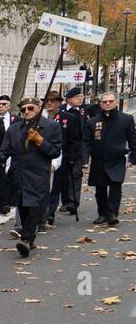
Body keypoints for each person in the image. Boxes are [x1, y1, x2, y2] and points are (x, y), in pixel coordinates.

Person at [0, 96, 61, 257]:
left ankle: (26, 240)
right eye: (23, 109)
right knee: (23, 206)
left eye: (30, 108)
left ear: (38, 108)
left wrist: (40, 140)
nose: (26, 112)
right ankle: (30, 238)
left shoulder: (51, 126)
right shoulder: (14, 128)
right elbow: (4, 151)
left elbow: (55, 151)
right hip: (18, 174)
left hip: (38, 174)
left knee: (34, 206)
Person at [85, 91, 136, 227]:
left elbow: (133, 140)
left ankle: (112, 213)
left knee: (115, 186)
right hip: (99, 159)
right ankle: (102, 213)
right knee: (100, 188)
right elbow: (86, 142)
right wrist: (85, 159)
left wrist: (133, 157)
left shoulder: (126, 119)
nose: (107, 104)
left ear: (116, 102)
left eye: (110, 101)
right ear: (100, 104)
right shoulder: (92, 122)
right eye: (104, 101)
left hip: (117, 159)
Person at [47, 87, 86, 224]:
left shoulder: (68, 118)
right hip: (43, 156)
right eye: (47, 101)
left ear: (59, 103)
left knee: (55, 187)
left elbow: (74, 140)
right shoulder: (40, 117)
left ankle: (49, 213)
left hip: (61, 157)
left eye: (52, 101)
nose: (49, 104)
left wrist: (73, 158)